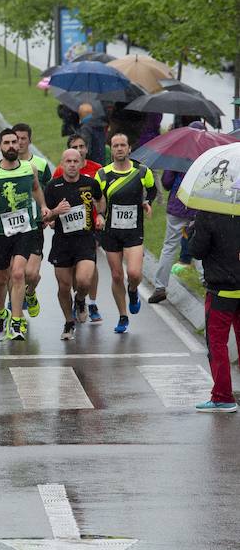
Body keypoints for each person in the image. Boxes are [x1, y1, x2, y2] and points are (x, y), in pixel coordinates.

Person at [0, 129, 50, 341]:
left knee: (17, 274)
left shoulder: (28, 167)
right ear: (0, 147)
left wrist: (42, 206)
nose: (12, 146)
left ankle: (16, 323)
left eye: (14, 142)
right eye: (7, 143)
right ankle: (0, 314)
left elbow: (36, 188)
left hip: (26, 230)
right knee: (1, 278)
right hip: (0, 233)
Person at [95, 133, 156, 334]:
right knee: (116, 275)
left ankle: (133, 290)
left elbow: (152, 190)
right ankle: (123, 316)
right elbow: (98, 199)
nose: (119, 148)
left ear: (129, 148)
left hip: (133, 230)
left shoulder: (141, 171)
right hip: (111, 232)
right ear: (111, 149)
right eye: (115, 145)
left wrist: (147, 202)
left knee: (134, 273)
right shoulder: (102, 174)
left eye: (123, 145)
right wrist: (101, 215)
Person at [43, 149, 105, 340]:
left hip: (85, 239)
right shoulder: (53, 186)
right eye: (68, 161)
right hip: (62, 241)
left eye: (75, 161)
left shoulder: (90, 183)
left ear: (80, 163)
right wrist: (55, 211)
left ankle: (79, 300)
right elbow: (44, 216)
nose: (71, 164)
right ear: (62, 164)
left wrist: (101, 214)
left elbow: (100, 198)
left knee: (84, 281)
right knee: (63, 286)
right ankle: (69, 322)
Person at [188, 209, 240, 412]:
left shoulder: (209, 212)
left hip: (221, 290)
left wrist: (193, 230)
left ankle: (223, 396)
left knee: (218, 344)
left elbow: (197, 250)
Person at [52, 133, 104, 321]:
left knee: (90, 266)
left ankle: (92, 301)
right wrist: (52, 216)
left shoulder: (96, 169)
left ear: (86, 149)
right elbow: (51, 201)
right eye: (75, 146)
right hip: (65, 231)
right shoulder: (60, 172)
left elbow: (101, 195)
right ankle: (77, 300)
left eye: (82, 146)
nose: (80, 150)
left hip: (89, 228)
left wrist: (100, 215)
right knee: (71, 270)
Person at [12, 123, 51, 320]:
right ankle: (16, 317)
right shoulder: (4, 165)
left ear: (29, 140)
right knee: (16, 273)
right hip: (11, 225)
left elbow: (48, 191)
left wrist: (48, 213)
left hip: (35, 225)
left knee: (31, 274)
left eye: (23, 139)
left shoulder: (41, 165)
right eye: (15, 139)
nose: (19, 143)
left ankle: (30, 293)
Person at [149, 169, 196, 304]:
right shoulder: (208, 154)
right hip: (199, 207)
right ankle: (206, 283)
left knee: (169, 247)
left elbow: (167, 183)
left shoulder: (179, 154)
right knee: (200, 246)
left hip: (177, 205)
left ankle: (160, 287)